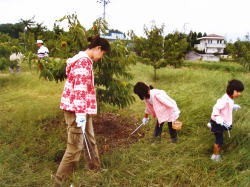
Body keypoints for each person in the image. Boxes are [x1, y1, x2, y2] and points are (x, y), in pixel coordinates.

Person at [53, 35, 110, 186]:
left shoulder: (83, 61)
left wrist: (83, 112)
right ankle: (60, 182)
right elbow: (79, 90)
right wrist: (80, 114)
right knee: (75, 147)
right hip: (77, 110)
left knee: (90, 139)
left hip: (82, 109)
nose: (101, 57)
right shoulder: (83, 63)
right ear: (98, 48)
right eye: (102, 54)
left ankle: (94, 169)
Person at [208, 79, 244, 162]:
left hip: (222, 121)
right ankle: (215, 156)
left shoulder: (229, 98)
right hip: (218, 122)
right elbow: (215, 108)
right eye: (238, 92)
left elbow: (226, 106)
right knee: (219, 141)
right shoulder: (224, 100)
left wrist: (233, 106)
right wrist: (217, 117)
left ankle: (211, 124)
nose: (239, 94)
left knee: (221, 133)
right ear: (233, 91)